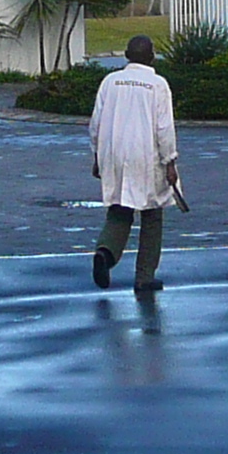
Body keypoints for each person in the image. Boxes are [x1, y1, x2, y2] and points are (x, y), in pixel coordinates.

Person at [89, 33, 179, 292]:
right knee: (152, 213)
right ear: (152, 57)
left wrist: (98, 156)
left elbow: (95, 124)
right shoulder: (157, 84)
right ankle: (144, 276)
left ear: (126, 56)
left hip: (114, 153)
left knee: (119, 209)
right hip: (146, 155)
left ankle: (105, 254)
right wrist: (170, 161)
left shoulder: (110, 81)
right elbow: (164, 128)